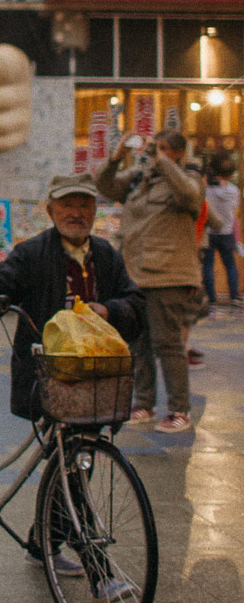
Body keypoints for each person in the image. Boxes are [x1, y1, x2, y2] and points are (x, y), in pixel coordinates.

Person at [0, 174, 145, 590]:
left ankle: (41, 543)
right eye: (67, 206)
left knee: (74, 460)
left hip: (95, 378)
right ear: (51, 210)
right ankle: (99, 573)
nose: (76, 213)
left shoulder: (106, 257)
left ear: (95, 211)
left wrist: (109, 309)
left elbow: (137, 305)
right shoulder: (33, 254)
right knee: (72, 463)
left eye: (84, 206)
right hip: (48, 376)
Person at [97, 129, 204, 435]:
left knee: (167, 343)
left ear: (178, 154)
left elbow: (189, 195)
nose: (155, 152)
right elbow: (104, 185)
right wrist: (116, 157)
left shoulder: (187, 179)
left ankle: (179, 409)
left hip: (168, 274)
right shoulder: (138, 178)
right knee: (137, 341)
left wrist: (163, 162)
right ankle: (143, 403)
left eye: (164, 148)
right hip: (134, 271)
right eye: (154, 147)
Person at [202, 152, 241, 308]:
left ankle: (211, 298)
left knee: (207, 265)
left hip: (210, 232)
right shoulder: (234, 191)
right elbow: (235, 209)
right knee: (230, 264)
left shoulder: (208, 190)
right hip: (226, 232)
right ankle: (234, 296)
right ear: (231, 175)